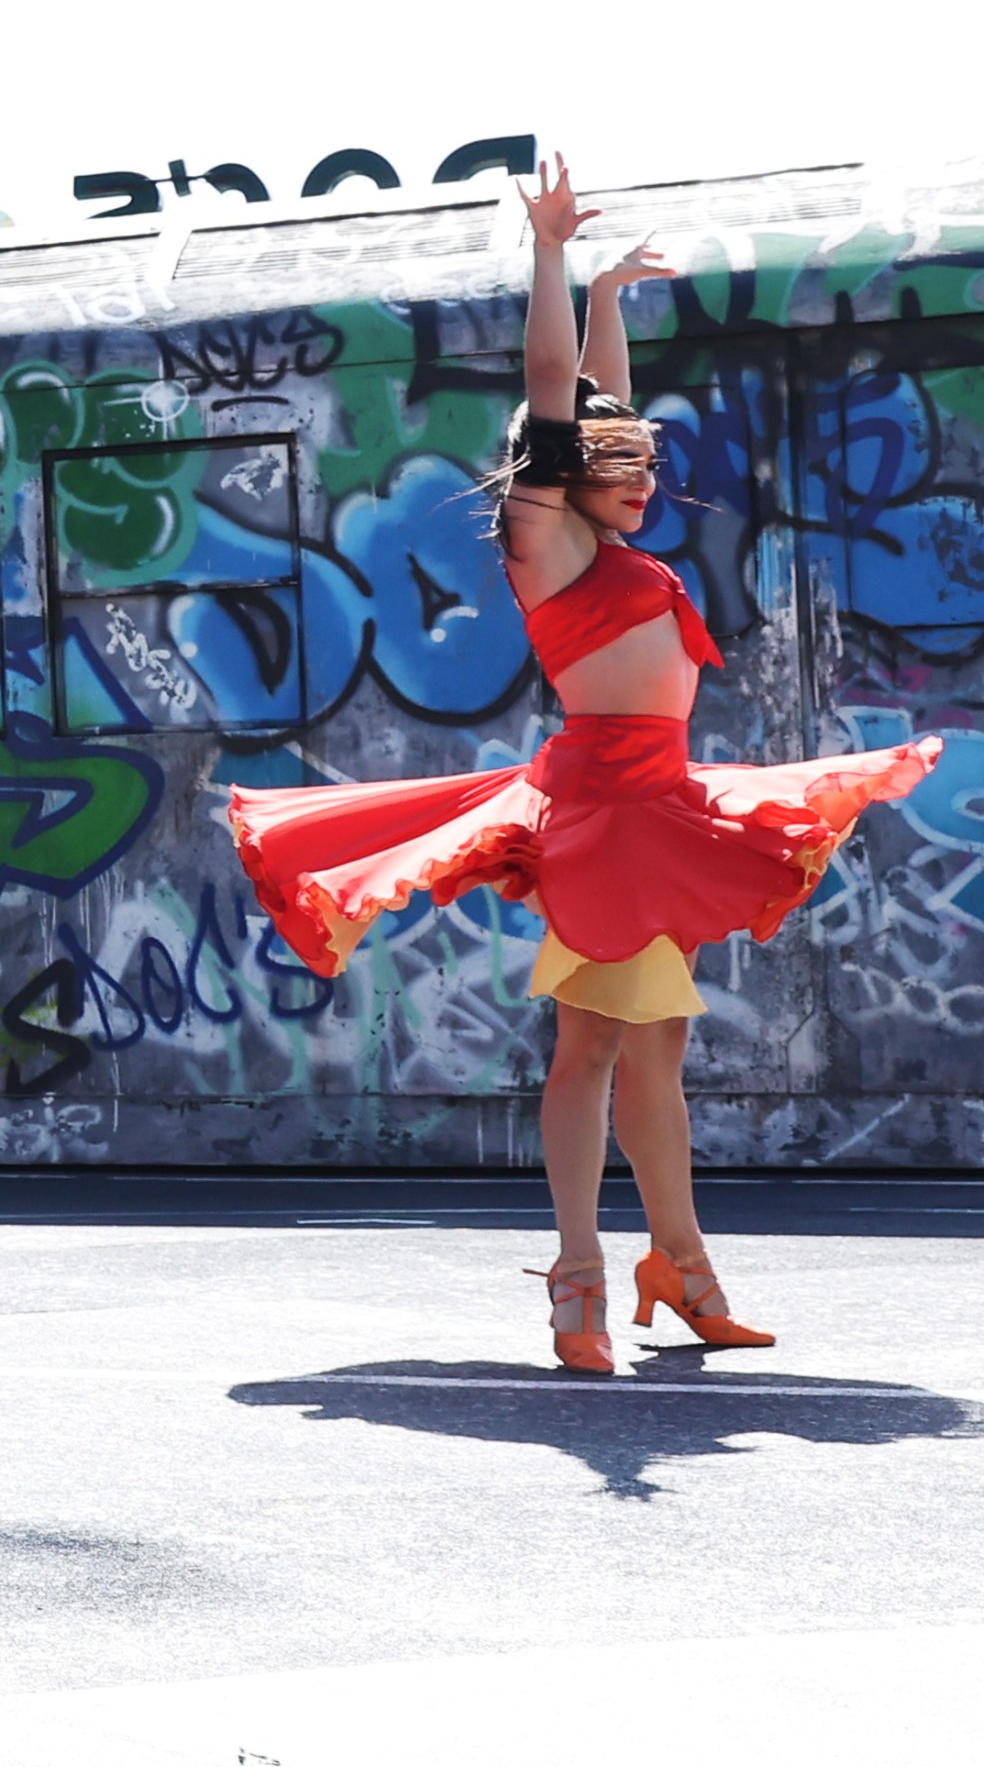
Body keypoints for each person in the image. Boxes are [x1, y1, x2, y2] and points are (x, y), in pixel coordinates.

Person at [226, 158, 940, 1370]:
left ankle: (677, 1265)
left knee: (652, 1051)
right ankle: (578, 1276)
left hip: (659, 803)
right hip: (603, 815)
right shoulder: (543, 540)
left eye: (648, 462)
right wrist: (550, 254)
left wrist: (609, 296)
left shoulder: (600, 537)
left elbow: (595, 398)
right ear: (559, 475)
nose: (644, 478)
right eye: (622, 464)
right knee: (592, 1051)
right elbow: (554, 391)